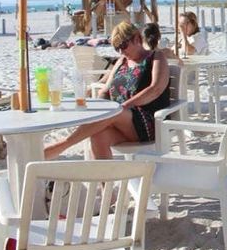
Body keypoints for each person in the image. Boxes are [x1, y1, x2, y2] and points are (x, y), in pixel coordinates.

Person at [44, 22, 170, 159]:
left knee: (113, 112)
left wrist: (122, 107)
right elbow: (105, 89)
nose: (121, 51)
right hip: (120, 119)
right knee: (98, 136)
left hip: (149, 122)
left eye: (123, 46)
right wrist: (100, 109)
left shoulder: (156, 57)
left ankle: (61, 146)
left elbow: (155, 89)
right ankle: (105, 180)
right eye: (117, 48)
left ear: (137, 38)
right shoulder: (122, 61)